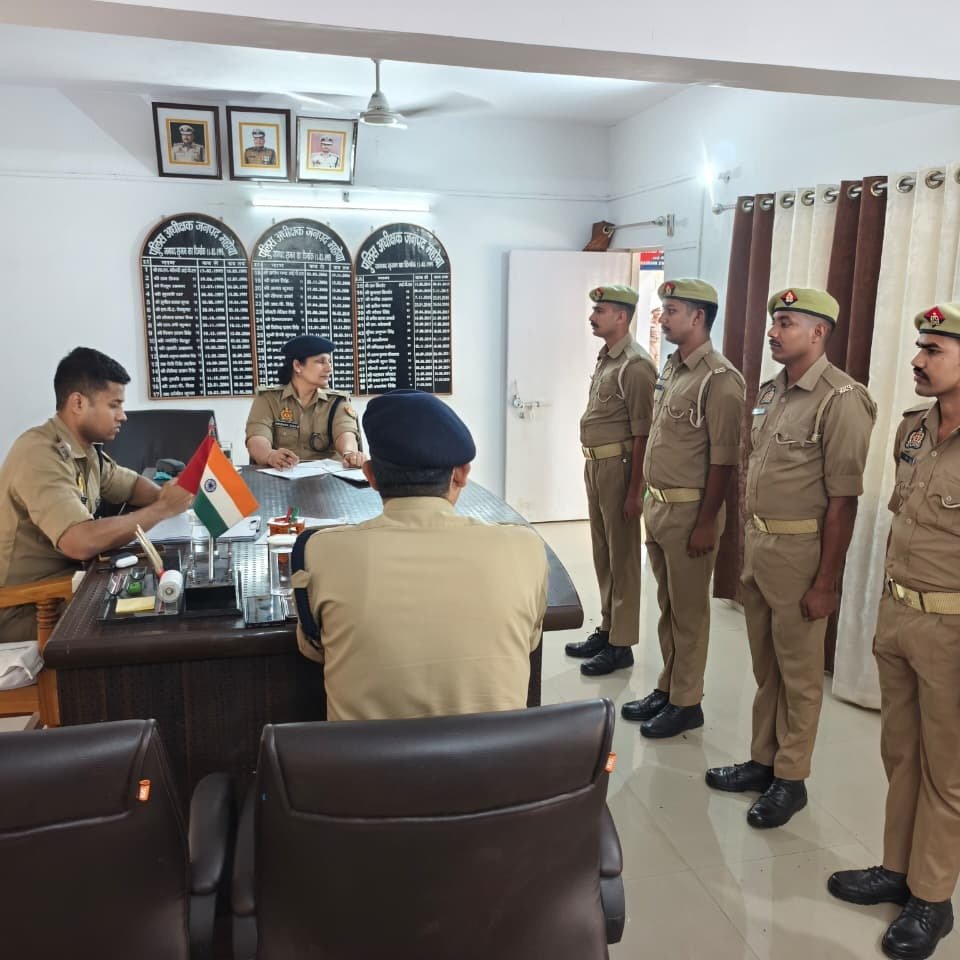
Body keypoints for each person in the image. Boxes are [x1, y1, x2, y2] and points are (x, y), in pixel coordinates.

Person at [705, 288, 876, 827]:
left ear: (818, 332)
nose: (773, 332)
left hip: (802, 555)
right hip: (761, 548)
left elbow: (844, 501)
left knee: (800, 675)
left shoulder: (841, 399)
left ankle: (791, 778)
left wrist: (826, 582)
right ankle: (763, 760)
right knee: (767, 667)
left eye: (786, 323)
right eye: (774, 322)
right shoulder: (771, 390)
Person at [828, 302, 960, 960]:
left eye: (934, 350)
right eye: (919, 347)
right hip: (900, 615)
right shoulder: (913, 428)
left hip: (952, 629)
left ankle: (932, 898)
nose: (917, 360)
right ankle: (898, 869)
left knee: (948, 772)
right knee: (901, 753)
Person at [291, 389, 549, 721]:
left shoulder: (319, 552)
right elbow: (529, 641)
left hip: (368, 756)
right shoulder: (525, 548)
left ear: (371, 475)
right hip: (496, 754)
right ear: (461, 474)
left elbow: (313, 649)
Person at [0, 347, 194, 644]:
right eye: (114, 405)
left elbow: (129, 484)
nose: (123, 416)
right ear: (78, 403)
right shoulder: (39, 454)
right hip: (28, 608)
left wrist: (164, 496)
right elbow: (79, 541)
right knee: (156, 623)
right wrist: (163, 509)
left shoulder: (85, 450)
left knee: (167, 596)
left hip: (72, 584)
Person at [621, 279, 744, 738]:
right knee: (668, 606)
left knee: (689, 613)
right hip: (661, 507)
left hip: (692, 513)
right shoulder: (672, 369)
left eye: (671, 310)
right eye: (663, 309)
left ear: (698, 317)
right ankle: (668, 686)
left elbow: (724, 460)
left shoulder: (720, 379)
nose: (663, 318)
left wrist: (707, 521)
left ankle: (687, 701)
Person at [565, 284, 657, 675]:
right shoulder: (608, 359)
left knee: (623, 557)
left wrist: (636, 490)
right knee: (603, 552)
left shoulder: (636, 366)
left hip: (620, 468)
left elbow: (643, 433)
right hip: (597, 466)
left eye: (599, 311)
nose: (592, 317)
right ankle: (607, 628)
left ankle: (622, 644)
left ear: (621, 316)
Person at [245, 335, 364, 470]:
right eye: (321, 362)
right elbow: (257, 437)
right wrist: (270, 455)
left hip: (327, 478)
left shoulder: (336, 401)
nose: (329, 368)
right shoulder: (268, 399)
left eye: (329, 362)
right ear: (297, 366)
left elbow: (345, 432)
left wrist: (350, 454)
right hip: (281, 476)